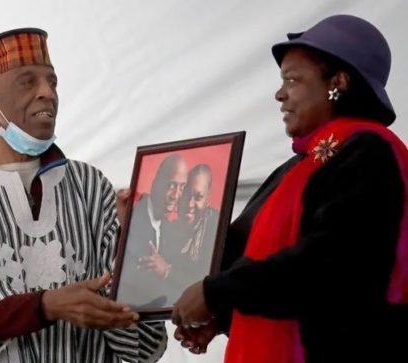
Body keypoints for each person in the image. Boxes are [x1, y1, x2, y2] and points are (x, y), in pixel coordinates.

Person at [0, 28, 166, 363]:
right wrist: (50, 305)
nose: (47, 93)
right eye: (27, 82)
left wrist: (132, 238)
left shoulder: (90, 184)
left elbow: (130, 306)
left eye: (53, 82)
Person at [171, 14, 408, 362]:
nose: (279, 94)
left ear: (338, 83)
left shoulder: (371, 153)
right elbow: (251, 265)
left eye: (293, 79)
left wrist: (215, 292)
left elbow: (330, 267)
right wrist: (221, 313)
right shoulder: (300, 167)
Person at [116, 154, 188, 309]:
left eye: (181, 187)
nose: (176, 196)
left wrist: (166, 270)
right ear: (156, 183)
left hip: (156, 323)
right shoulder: (129, 216)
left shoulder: (172, 229)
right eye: (171, 185)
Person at [165, 164, 220, 304]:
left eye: (198, 197)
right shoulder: (169, 229)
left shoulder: (217, 229)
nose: (190, 204)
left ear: (208, 197)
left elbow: (204, 280)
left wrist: (167, 270)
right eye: (186, 196)